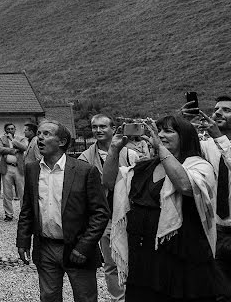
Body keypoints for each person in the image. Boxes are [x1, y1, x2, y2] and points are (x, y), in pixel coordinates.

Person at [103, 116, 219, 302]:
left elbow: (186, 185)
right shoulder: (144, 168)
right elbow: (109, 182)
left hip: (181, 260)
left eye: (168, 131)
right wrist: (114, 149)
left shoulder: (199, 166)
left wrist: (160, 147)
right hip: (143, 259)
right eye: (158, 130)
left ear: (186, 137)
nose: (160, 135)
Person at [16, 120, 109, 302]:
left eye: (47, 134)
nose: (40, 138)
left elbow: (100, 213)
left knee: (85, 298)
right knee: (49, 296)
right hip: (45, 247)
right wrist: (23, 240)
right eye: (39, 133)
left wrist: (84, 246)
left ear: (61, 141)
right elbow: (27, 208)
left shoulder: (84, 171)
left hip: (77, 248)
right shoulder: (32, 169)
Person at [79, 114, 138, 302]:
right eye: (94, 127)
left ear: (113, 128)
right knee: (111, 262)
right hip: (105, 215)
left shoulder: (129, 154)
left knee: (135, 259)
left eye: (103, 126)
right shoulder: (85, 157)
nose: (98, 130)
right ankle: (118, 298)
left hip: (129, 213)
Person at [197, 98, 231, 300]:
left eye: (226, 110)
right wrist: (183, 122)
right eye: (216, 109)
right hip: (216, 229)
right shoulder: (207, 145)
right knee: (220, 291)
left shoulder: (217, 141)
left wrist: (220, 138)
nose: (218, 113)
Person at [0, 122, 27, 222]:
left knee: (22, 191)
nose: (10, 130)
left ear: (15, 130)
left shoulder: (21, 138)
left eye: (12, 129)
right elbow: (0, 149)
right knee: (7, 192)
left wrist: (12, 140)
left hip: (19, 167)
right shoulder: (1, 139)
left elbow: (24, 147)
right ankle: (8, 214)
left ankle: (24, 214)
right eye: (8, 129)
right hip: (7, 167)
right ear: (5, 130)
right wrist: (13, 151)